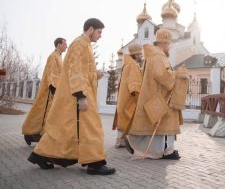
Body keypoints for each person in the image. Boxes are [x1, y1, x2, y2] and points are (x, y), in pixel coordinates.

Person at [27, 18, 116, 175]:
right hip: (79, 95)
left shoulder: (85, 45)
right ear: (90, 29)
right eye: (99, 32)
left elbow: (83, 70)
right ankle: (95, 163)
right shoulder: (80, 44)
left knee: (63, 129)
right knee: (91, 128)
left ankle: (40, 155)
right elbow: (75, 70)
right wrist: (81, 96)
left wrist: (95, 75)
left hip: (79, 94)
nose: (100, 36)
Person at [125, 29, 188, 160]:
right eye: (169, 43)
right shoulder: (159, 56)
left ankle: (164, 150)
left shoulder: (152, 56)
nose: (169, 46)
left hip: (153, 95)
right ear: (164, 42)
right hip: (161, 98)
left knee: (155, 127)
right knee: (162, 127)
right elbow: (164, 77)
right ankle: (165, 151)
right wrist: (178, 73)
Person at [22, 38, 67, 145]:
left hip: (55, 91)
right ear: (59, 44)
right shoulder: (53, 57)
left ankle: (36, 135)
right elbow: (51, 74)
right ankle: (32, 134)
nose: (66, 45)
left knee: (47, 115)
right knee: (44, 114)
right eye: (65, 43)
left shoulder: (59, 57)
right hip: (50, 92)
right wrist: (54, 90)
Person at [112, 43, 143, 148]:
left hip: (124, 98)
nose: (141, 56)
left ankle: (120, 141)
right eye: (140, 54)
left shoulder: (127, 64)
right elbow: (134, 84)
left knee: (123, 119)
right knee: (128, 119)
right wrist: (139, 97)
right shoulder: (133, 65)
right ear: (136, 54)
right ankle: (124, 141)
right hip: (130, 98)